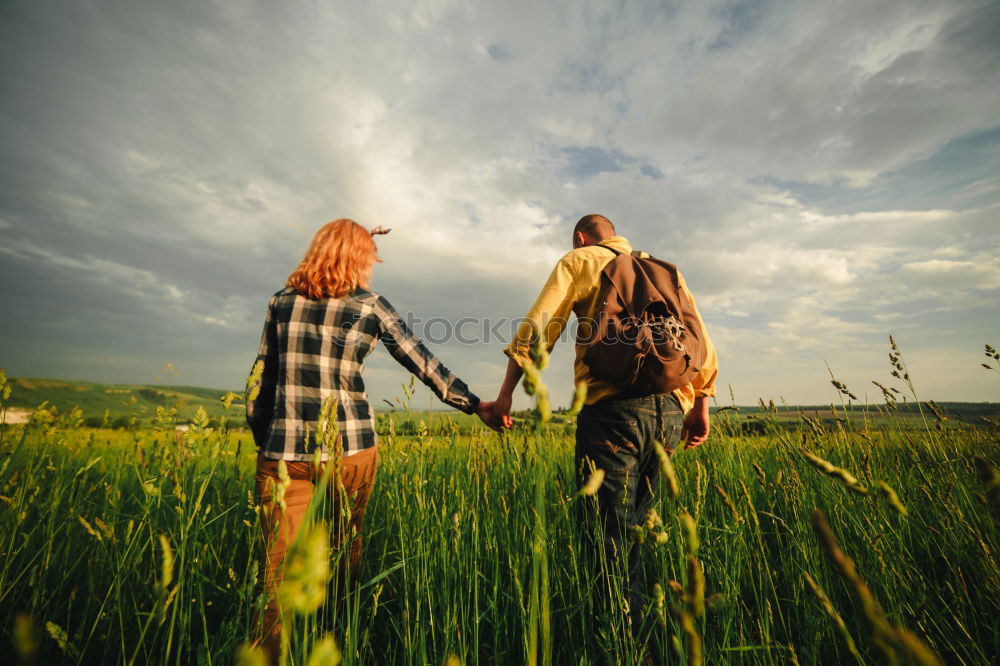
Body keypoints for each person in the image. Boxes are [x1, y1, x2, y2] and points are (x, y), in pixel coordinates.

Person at [245, 218, 498, 665]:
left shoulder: (280, 302)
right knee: (345, 556)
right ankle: (339, 644)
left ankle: (270, 656)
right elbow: (423, 361)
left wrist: (266, 439)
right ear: (360, 259)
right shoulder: (370, 305)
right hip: (351, 449)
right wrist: (473, 403)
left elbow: (261, 380)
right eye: (369, 259)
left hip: (284, 456)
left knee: (276, 575)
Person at [489, 213, 718, 637]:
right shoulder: (664, 270)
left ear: (581, 237)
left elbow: (538, 331)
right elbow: (699, 337)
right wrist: (699, 403)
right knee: (636, 531)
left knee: (606, 539)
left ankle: (622, 643)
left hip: (612, 414)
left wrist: (505, 395)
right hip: (668, 413)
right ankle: (648, 630)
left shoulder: (580, 261)